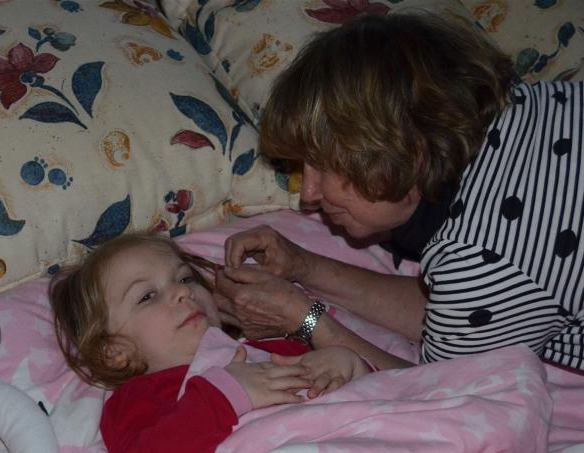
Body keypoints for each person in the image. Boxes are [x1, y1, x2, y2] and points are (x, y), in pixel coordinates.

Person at [215, 12, 583, 372]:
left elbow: (440, 392)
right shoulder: (534, 103)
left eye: (323, 166)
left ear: (403, 148)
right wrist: (304, 267)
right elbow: (458, 314)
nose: (308, 193)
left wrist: (304, 319)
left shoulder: (482, 255)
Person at [50, 233, 371, 453]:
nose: (183, 292)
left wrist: (349, 364)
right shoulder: (140, 398)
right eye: (148, 296)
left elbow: (385, 395)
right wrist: (224, 395)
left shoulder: (275, 349)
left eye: (185, 278)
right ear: (115, 352)